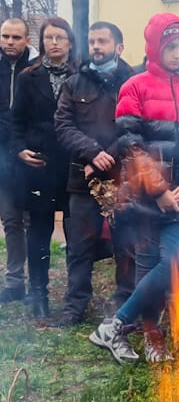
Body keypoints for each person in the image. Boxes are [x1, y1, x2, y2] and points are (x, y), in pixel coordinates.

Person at [89, 12, 179, 364]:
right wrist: (158, 190)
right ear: (155, 47)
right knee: (147, 263)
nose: (177, 53)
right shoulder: (135, 86)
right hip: (144, 199)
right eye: (170, 46)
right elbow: (130, 143)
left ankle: (115, 325)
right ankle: (152, 338)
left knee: (172, 263)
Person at [53, 21, 136, 326]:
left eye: (103, 41)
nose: (96, 47)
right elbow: (62, 125)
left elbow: (135, 128)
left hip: (123, 180)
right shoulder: (74, 83)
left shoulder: (134, 82)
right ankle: (75, 305)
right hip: (83, 180)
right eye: (92, 42)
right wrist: (91, 151)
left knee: (125, 245)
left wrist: (108, 155)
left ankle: (125, 307)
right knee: (79, 246)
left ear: (119, 47)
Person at [10, 17, 78, 319]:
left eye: (60, 37)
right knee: (39, 231)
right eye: (49, 38)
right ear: (42, 43)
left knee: (77, 232)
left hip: (75, 164)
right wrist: (20, 149)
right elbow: (16, 122)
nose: (54, 43)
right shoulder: (28, 77)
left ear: (70, 43)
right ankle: (38, 293)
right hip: (39, 165)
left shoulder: (82, 76)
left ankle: (76, 296)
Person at [0, 18, 32, 304]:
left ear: (27, 40)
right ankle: (14, 281)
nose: (10, 42)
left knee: (32, 221)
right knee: (10, 220)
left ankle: (37, 281)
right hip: (1, 156)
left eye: (16, 37)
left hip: (28, 155)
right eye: (5, 36)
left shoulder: (34, 70)